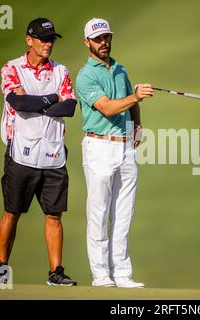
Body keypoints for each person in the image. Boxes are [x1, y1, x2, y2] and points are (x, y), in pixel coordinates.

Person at [0, 18, 77, 286]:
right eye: (43, 39)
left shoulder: (61, 71)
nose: (48, 44)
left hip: (52, 152)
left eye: (51, 39)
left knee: (54, 215)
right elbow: (17, 102)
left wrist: (39, 102)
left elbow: (70, 107)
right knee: (12, 211)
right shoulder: (12, 68)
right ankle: (2, 267)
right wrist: (52, 98)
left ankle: (56, 272)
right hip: (21, 151)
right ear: (29, 40)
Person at [75, 18, 154, 288]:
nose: (103, 42)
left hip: (124, 145)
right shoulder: (86, 75)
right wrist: (137, 97)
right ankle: (101, 275)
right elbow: (108, 107)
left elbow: (129, 100)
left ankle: (122, 273)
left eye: (107, 37)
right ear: (87, 42)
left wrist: (138, 125)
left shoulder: (120, 69)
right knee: (99, 213)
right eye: (97, 39)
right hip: (99, 145)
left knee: (124, 212)